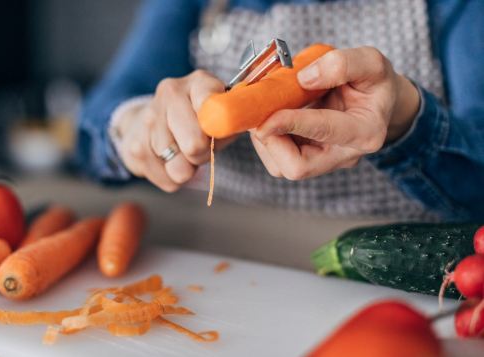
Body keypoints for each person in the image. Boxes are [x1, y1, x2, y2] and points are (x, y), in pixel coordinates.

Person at [76, 0, 484, 221]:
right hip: (236, 253)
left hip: (396, 268)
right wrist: (132, 124)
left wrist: (406, 120)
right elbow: (94, 127)